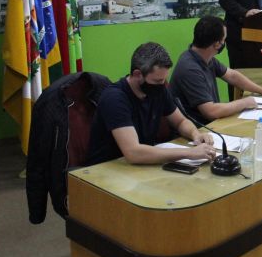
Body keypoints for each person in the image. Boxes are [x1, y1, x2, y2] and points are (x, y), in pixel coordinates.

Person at [86, 42, 218, 166]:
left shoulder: (157, 90)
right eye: (157, 80)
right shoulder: (115, 98)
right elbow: (133, 153)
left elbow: (180, 122)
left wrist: (195, 134)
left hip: (139, 166)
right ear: (138, 74)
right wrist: (189, 153)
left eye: (164, 79)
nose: (163, 85)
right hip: (108, 169)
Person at [169, 16, 262, 124]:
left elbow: (232, 76)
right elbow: (211, 111)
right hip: (198, 131)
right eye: (224, 39)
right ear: (217, 44)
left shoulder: (205, 57)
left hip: (211, 125)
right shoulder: (190, 69)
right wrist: (244, 102)